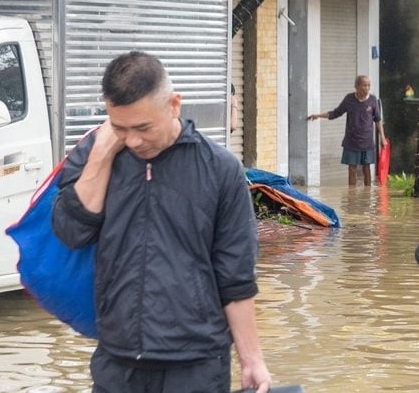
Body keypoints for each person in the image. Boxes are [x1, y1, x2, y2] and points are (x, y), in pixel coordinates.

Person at [51, 51, 271, 392]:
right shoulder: (96, 154)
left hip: (196, 363)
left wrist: (252, 360)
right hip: (116, 360)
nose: (134, 140)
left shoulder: (220, 169)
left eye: (143, 127)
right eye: (120, 127)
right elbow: (71, 232)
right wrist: (102, 154)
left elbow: (236, 276)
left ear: (174, 105)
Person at [307, 75, 385, 186]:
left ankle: (367, 195)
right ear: (356, 86)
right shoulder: (349, 99)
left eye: (368, 85)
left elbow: (378, 120)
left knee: (366, 168)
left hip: (367, 141)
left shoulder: (372, 100)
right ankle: (351, 195)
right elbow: (336, 113)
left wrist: (382, 137)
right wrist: (319, 115)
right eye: (364, 85)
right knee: (352, 168)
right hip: (351, 140)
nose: (367, 88)